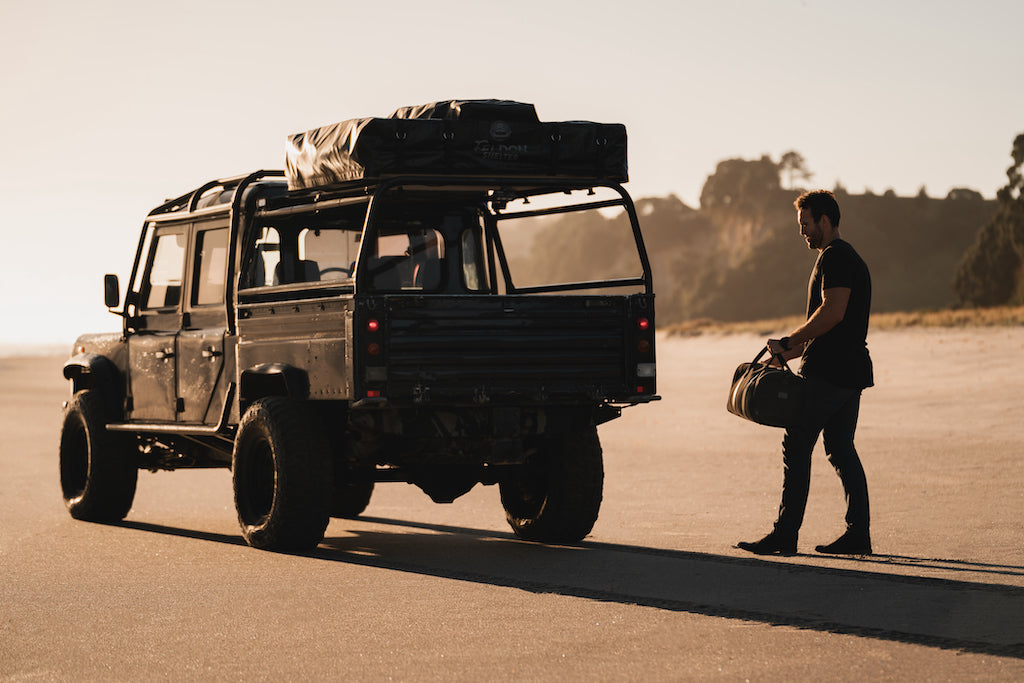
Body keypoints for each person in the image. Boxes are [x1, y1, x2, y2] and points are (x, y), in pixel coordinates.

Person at [737, 190, 874, 556]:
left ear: (825, 221)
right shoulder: (842, 258)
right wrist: (786, 352)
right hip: (848, 370)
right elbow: (828, 325)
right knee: (841, 448)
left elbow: (833, 312)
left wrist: (788, 339)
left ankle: (785, 535)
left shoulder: (837, 258)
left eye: (806, 225)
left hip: (831, 373)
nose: (803, 233)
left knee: (796, 445)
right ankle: (857, 534)